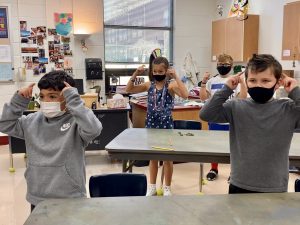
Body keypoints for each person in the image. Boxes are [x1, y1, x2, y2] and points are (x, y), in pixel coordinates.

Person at [0, 71, 102, 210]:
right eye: (42, 96)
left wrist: (75, 101)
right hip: (38, 196)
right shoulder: (31, 121)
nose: (46, 101)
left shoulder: (76, 123)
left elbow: (94, 129)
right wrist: (18, 101)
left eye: (52, 96)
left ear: (66, 98)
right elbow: (5, 124)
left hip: (70, 196)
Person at [200, 54, 300, 193]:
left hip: (275, 186)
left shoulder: (288, 108)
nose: (258, 85)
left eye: (265, 80)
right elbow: (206, 114)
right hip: (240, 183)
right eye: (252, 80)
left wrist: (295, 91)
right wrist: (226, 89)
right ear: (246, 82)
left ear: (278, 83)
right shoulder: (235, 106)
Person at [126, 56, 188, 196]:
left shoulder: (171, 85)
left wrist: (176, 76)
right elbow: (128, 89)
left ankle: (167, 187)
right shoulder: (149, 85)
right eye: (155, 71)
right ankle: (152, 186)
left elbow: (185, 95)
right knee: (153, 158)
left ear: (166, 71)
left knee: (167, 159)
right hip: (151, 125)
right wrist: (136, 73)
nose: (158, 74)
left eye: (161, 71)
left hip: (166, 126)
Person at [199, 53, 247, 181]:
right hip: (215, 119)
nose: (222, 66)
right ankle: (214, 169)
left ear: (231, 66)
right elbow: (203, 98)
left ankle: (234, 171)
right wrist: (203, 82)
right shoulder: (212, 81)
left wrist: (242, 83)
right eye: (220, 64)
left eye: (225, 64)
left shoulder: (233, 80)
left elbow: (242, 98)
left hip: (231, 119)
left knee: (233, 147)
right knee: (214, 146)